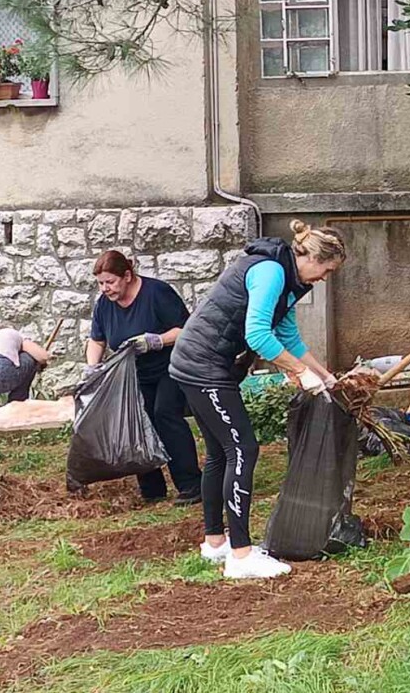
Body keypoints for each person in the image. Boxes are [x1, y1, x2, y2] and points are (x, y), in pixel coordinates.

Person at [169, 221, 345, 580]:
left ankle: (215, 543)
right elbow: (257, 334)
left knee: (220, 452)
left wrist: (324, 376)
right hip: (204, 366)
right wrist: (299, 373)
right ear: (310, 257)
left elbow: (288, 337)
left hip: (195, 362)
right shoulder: (270, 272)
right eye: (326, 270)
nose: (325, 279)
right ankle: (241, 555)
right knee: (243, 450)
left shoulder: (289, 281)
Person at [85, 251, 201, 505]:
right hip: (135, 373)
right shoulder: (105, 304)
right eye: (101, 283)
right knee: (136, 420)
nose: (105, 289)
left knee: (164, 413)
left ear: (127, 276)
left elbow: (186, 329)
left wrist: (157, 340)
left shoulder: (157, 293)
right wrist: (92, 367)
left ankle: (191, 485)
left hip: (172, 367)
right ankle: (152, 490)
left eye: (110, 282)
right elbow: (97, 340)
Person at [0, 328, 50, 413]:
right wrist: (41, 365)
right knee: (30, 357)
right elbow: (42, 357)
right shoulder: (17, 335)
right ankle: (17, 404)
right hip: (3, 372)